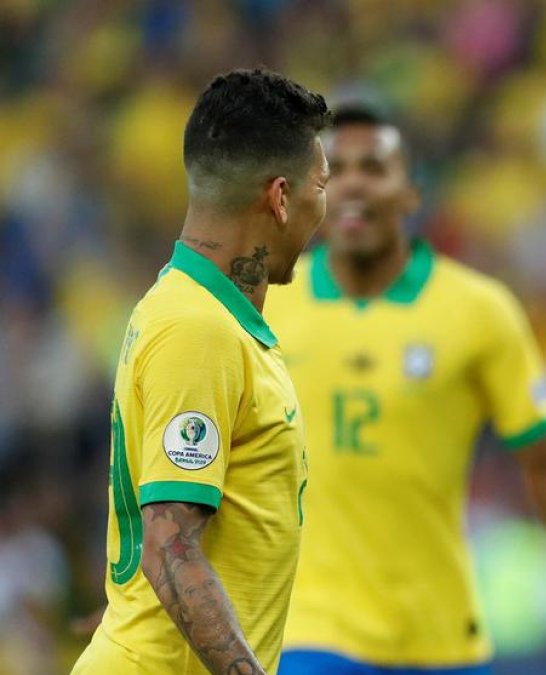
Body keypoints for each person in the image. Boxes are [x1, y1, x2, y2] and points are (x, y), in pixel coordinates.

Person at [265, 104, 546, 675]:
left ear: (410, 192)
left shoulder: (478, 312)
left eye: (373, 168)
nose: (351, 183)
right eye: (334, 169)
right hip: (305, 635)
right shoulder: (267, 308)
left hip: (443, 640)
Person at [71, 69, 332, 675]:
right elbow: (168, 543)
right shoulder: (199, 330)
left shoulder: (196, 311)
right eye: (321, 184)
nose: (327, 204)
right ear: (280, 196)